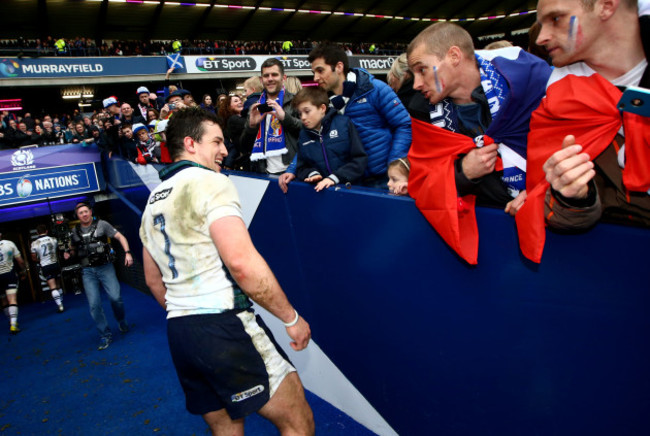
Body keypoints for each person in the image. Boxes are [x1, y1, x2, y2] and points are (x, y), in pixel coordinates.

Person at [139, 107, 314, 435]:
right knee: (297, 419)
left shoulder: (152, 201)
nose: (223, 150)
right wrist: (291, 319)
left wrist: (191, 314)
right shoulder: (210, 182)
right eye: (216, 141)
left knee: (226, 430)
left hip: (181, 334)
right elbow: (241, 263)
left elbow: (153, 280)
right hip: (224, 325)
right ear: (191, 144)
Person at [406, 22, 552, 264]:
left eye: (422, 70)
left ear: (454, 56)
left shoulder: (527, 79)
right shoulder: (421, 111)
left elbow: (572, 147)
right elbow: (423, 182)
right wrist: (463, 174)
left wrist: (542, 191)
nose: (416, 84)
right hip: (487, 232)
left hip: (553, 221)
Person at [515, 0, 650, 263]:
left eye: (556, 19)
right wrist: (576, 197)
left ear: (607, 6)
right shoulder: (561, 101)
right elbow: (569, 213)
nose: (541, 37)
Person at [307, 43, 412, 186]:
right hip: (348, 180)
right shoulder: (324, 104)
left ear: (338, 67)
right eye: (314, 72)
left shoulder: (374, 89)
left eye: (320, 70)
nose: (315, 78)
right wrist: (292, 169)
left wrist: (394, 166)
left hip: (382, 180)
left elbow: (403, 124)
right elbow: (310, 137)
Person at [65, 202, 133, 350]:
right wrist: (69, 253)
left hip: (105, 268)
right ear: (77, 216)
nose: (84, 214)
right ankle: (105, 335)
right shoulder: (75, 231)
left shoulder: (102, 225)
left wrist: (127, 253)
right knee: (94, 305)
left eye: (86, 211)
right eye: (81, 213)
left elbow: (120, 237)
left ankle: (121, 320)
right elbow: (73, 249)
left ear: (90, 212)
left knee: (116, 298)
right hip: (87, 271)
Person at [283, 87, 366, 192]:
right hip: (321, 193)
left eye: (307, 111)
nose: (303, 117)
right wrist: (312, 173)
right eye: (300, 114)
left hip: (351, 191)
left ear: (322, 108)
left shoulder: (344, 124)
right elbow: (301, 167)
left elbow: (359, 160)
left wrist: (335, 178)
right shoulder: (303, 135)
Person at [239, 58, 302, 175]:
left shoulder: (296, 101)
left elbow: (308, 131)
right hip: (265, 171)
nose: (270, 79)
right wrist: (251, 127)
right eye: (266, 75)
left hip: (293, 172)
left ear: (283, 78)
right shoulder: (256, 106)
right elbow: (244, 147)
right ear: (261, 79)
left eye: (274, 75)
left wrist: (285, 118)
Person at [30, 224, 65, 313]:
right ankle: (61, 300)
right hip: (55, 263)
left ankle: (60, 305)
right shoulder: (53, 239)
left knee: (52, 287)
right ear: (46, 231)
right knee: (58, 284)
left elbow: (33, 258)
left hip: (45, 265)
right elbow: (58, 250)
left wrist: (40, 261)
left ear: (37, 233)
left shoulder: (34, 243)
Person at [0, 231, 27, 334]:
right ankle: (13, 323)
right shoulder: (9, 244)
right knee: (12, 299)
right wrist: (24, 271)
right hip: (9, 274)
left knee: (3, 301)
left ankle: (10, 321)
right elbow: (20, 261)